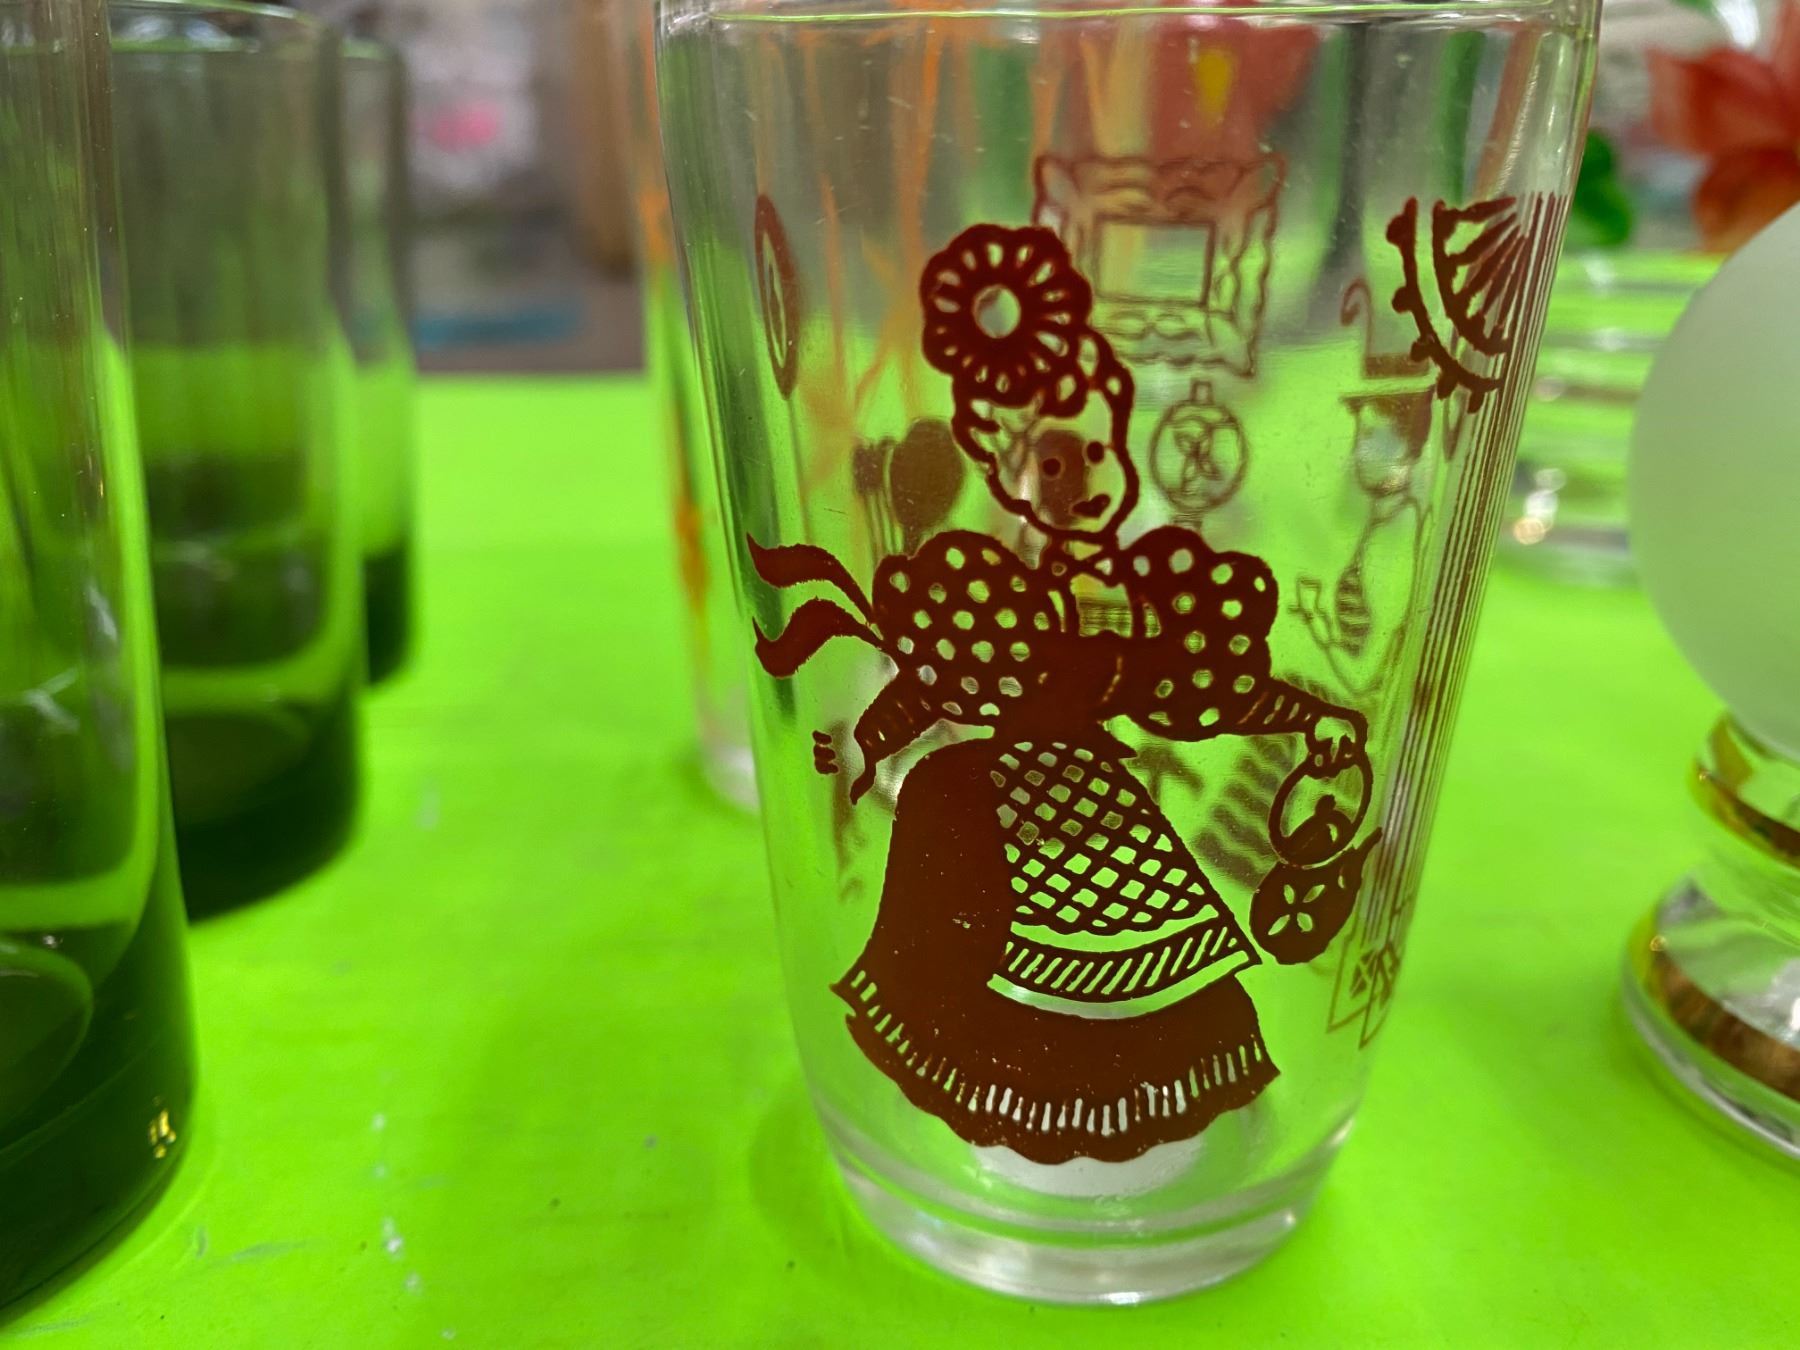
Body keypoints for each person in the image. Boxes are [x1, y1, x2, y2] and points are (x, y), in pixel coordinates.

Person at [752, 223, 1370, 1164]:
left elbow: (1201, 697)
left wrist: (1312, 714)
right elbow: (931, 687)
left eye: (1095, 456)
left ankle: (1123, 1099)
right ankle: (991, 1073)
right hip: (1003, 792)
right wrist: (863, 747)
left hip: (1086, 798)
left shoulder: (1142, 603)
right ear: (1011, 474)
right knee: (945, 820)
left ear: (1125, 463)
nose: (1077, 481)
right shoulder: (983, 592)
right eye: (1051, 462)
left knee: (1123, 950)